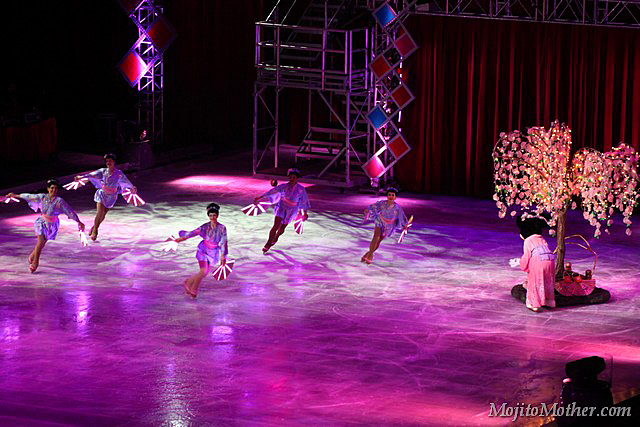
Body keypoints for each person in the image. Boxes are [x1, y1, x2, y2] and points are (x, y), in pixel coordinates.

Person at [5, 179, 85, 272]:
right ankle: (35, 262)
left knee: (42, 244)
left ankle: (32, 255)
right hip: (41, 223)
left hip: (53, 225)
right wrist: (15, 195)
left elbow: (69, 211)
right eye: (52, 188)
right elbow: (30, 196)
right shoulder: (42, 197)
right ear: (48, 189)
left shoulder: (60, 201)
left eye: (55, 188)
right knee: (40, 241)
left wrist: (78, 221)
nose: (53, 190)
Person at [74, 153, 137, 240]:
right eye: (107, 161)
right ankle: (95, 231)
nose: (108, 163)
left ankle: (94, 227)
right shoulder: (103, 171)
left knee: (103, 214)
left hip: (112, 196)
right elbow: (91, 174)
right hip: (102, 194)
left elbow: (125, 181)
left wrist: (132, 187)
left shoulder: (119, 173)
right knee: (99, 212)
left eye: (110, 161)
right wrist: (81, 176)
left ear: (114, 162)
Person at [172, 203, 228, 298]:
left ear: (217, 215)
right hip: (203, 250)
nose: (212, 217)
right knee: (203, 271)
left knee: (204, 272)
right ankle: (194, 290)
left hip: (213, 252)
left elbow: (224, 242)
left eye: (214, 215)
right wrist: (181, 239)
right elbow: (193, 233)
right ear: (208, 216)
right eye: (210, 215)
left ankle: (188, 282)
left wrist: (223, 256)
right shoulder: (205, 227)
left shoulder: (222, 228)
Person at [254, 168, 310, 253]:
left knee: (282, 227)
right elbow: (272, 191)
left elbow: (304, 200)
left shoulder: (301, 189)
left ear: (297, 178)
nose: (292, 179)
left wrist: (304, 213)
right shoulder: (283, 186)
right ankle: (268, 243)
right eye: (290, 177)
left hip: (292, 210)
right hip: (281, 207)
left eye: (294, 177)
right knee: (276, 225)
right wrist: (261, 197)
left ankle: (276, 237)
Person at [516, 214, 556, 312]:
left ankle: (534, 303)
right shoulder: (541, 238)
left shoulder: (528, 241)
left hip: (538, 261)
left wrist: (522, 264)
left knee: (535, 281)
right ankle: (549, 300)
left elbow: (527, 256)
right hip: (550, 260)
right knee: (547, 280)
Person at [361, 187, 408, 264]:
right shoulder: (382, 203)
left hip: (389, 225)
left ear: (395, 197)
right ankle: (370, 256)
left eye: (393, 195)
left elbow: (401, 217)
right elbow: (374, 207)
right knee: (376, 237)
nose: (391, 196)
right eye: (389, 195)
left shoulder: (397, 208)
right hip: (380, 221)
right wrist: (368, 210)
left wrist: (405, 225)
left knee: (379, 241)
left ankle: (368, 254)